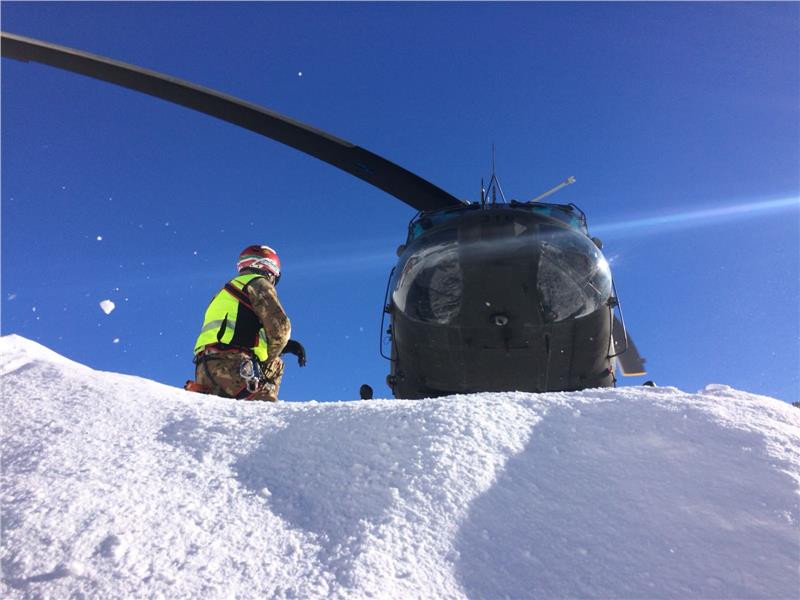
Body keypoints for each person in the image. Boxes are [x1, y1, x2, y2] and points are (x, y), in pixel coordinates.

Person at [186, 245, 306, 401]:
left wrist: (285, 347)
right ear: (270, 269)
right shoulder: (258, 283)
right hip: (234, 366)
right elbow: (281, 329)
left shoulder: (224, 293)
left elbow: (237, 329)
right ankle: (265, 401)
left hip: (204, 369)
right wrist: (274, 353)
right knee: (275, 368)